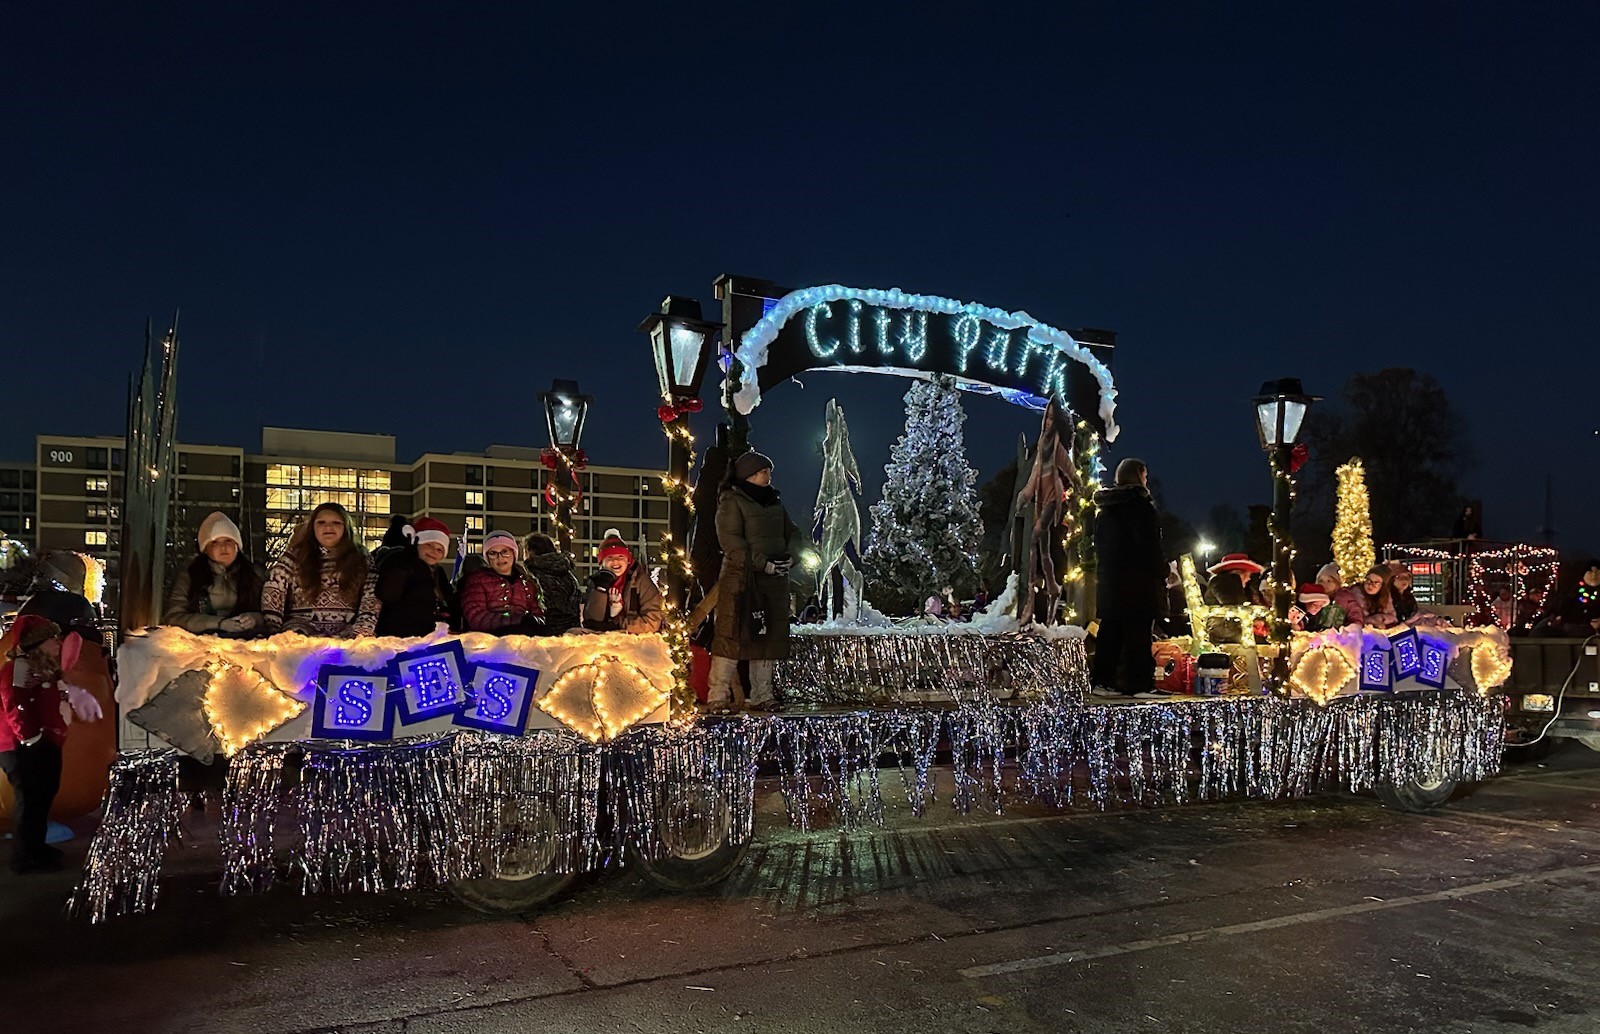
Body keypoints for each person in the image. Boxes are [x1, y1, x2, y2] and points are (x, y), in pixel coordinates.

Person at [0, 616, 101, 873]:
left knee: (42, 796)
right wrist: (30, 738)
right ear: (37, 643)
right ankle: (25, 858)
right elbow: (15, 702)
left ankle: (36, 847)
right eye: (52, 639)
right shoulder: (21, 668)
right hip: (23, 745)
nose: (58, 643)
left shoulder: (42, 668)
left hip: (42, 741)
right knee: (31, 799)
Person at [709, 453, 807, 709]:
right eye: (764, 471)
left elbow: (793, 533)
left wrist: (790, 558)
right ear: (750, 474)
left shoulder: (775, 503)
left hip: (774, 584)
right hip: (741, 581)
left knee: (766, 639)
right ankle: (717, 696)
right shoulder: (732, 501)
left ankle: (763, 695)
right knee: (731, 636)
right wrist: (763, 563)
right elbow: (732, 542)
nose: (769, 476)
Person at [1090, 458, 1166, 696]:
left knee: (1111, 631)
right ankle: (1138, 682)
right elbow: (1148, 545)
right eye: (1144, 475)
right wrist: (1162, 570)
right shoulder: (1140, 507)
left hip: (1110, 581)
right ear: (1138, 475)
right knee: (1138, 632)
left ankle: (1103, 681)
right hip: (1137, 581)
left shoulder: (1104, 512)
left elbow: (1100, 547)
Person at [261, 502, 379, 638]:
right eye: (321, 522)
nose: (328, 527)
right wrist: (273, 631)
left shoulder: (362, 558)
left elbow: (372, 596)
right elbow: (274, 589)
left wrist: (361, 631)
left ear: (346, 528)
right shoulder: (294, 557)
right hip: (300, 632)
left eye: (336, 522)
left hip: (347, 635)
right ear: (312, 528)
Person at [162, 512, 265, 636]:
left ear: (237, 545)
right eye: (215, 542)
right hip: (198, 645)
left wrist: (255, 619)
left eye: (228, 540)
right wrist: (218, 623)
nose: (224, 547)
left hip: (246, 646)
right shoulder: (190, 576)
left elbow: (273, 614)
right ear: (205, 548)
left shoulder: (255, 575)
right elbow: (174, 617)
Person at [374, 517, 457, 637]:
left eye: (440, 549)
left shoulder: (438, 571)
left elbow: (448, 599)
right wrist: (405, 564)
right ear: (416, 542)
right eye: (429, 544)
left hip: (427, 635)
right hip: (397, 635)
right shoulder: (398, 560)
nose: (434, 551)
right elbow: (387, 593)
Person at [458, 530, 548, 635]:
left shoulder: (527, 582)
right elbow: (476, 617)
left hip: (526, 640)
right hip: (490, 641)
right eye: (493, 553)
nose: (499, 557)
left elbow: (538, 612)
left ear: (513, 553)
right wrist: (515, 621)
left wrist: (536, 622)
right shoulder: (477, 581)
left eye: (505, 552)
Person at [583, 529, 665, 634]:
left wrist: (618, 623)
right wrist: (601, 590)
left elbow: (651, 622)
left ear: (628, 560)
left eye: (620, 556)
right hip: (603, 635)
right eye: (610, 557)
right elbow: (592, 621)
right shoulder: (595, 582)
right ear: (601, 563)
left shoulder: (641, 581)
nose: (615, 561)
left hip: (634, 636)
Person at [522, 533, 583, 634]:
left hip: (544, 631)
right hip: (572, 629)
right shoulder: (568, 573)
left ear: (529, 551)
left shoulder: (532, 575)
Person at [1551, 559, 1600, 637]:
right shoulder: (1573, 591)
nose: (1594, 575)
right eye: (1590, 572)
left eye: (1597, 573)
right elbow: (1565, 610)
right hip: (1577, 628)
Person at [1315, 563, 1364, 628]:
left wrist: (1353, 627)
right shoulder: (1313, 597)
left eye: (1329, 581)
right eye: (1320, 581)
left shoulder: (1345, 598)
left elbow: (1355, 614)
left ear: (1336, 583)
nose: (1324, 584)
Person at [1355, 564, 1398, 629]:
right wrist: (1374, 621)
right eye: (1368, 580)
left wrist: (1380, 618)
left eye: (1376, 583)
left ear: (1382, 586)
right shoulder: (1356, 595)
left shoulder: (1385, 597)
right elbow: (1357, 620)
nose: (1370, 585)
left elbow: (1393, 617)